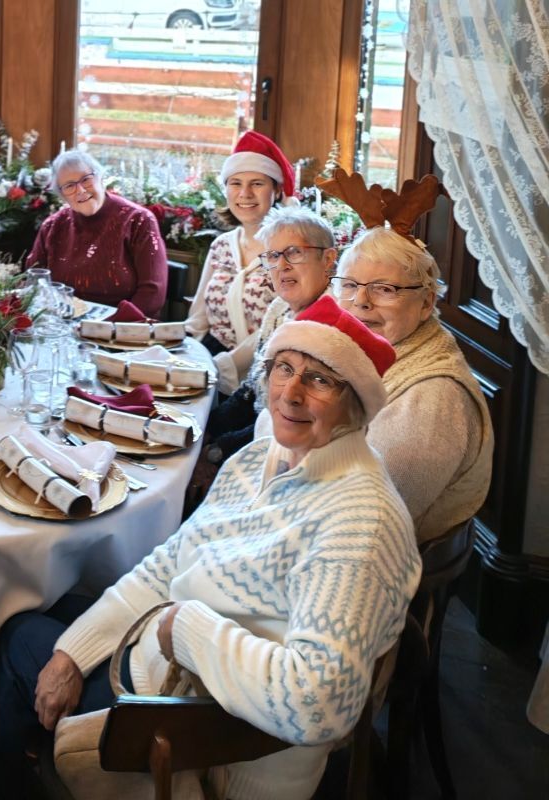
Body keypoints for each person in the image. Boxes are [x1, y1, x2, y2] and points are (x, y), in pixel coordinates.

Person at [0, 296, 420, 800]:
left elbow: (319, 705)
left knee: (16, 633)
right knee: (46, 618)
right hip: (163, 669)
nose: (291, 393)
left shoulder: (359, 523)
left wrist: (187, 628)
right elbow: (167, 565)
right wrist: (73, 655)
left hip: (199, 743)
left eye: (320, 380)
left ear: (355, 406)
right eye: (284, 368)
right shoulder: (261, 458)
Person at [256, 227, 494, 542]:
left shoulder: (431, 398)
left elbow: (362, 518)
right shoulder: (352, 350)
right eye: (350, 285)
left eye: (384, 289)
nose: (361, 302)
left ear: (426, 303)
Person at [200, 205, 337, 468]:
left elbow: (288, 425)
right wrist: (204, 431)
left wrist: (215, 451)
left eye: (294, 252)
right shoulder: (279, 308)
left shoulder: (329, 328)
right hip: (253, 435)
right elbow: (250, 391)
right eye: (273, 256)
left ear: (328, 259)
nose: (282, 265)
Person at [185, 131, 292, 356]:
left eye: (257, 184)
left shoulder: (291, 253)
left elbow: (284, 329)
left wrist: (228, 366)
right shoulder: (221, 246)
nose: (245, 193)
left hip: (266, 363)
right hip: (210, 357)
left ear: (277, 191)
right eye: (235, 183)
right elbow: (197, 322)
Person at [26, 149, 168, 317]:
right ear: (62, 195)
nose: (80, 190)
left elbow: (153, 292)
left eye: (86, 179)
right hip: (62, 322)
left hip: (123, 326)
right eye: (69, 186)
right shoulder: (52, 226)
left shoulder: (139, 220)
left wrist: (109, 326)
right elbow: (35, 283)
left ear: (101, 178)